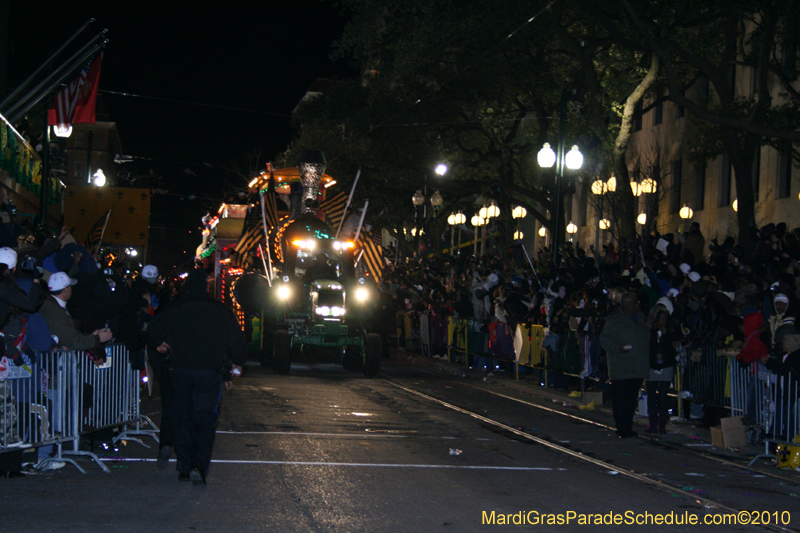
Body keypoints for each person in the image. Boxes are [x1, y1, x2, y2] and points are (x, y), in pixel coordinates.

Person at [147, 268, 245, 486]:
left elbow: (153, 331)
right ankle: (200, 466)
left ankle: (183, 466)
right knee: (206, 420)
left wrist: (159, 345)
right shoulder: (221, 310)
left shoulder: (176, 308)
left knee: (183, 419)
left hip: (180, 371)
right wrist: (237, 362)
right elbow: (237, 341)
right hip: (209, 373)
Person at [599, 292, 650, 438]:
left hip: (637, 367)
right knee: (621, 401)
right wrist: (618, 347)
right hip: (622, 368)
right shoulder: (615, 321)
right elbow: (604, 340)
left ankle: (627, 426)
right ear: (626, 304)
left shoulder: (640, 320)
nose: (638, 305)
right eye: (635, 302)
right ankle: (622, 428)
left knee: (630, 400)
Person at [38, 272, 113, 351]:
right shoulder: (54, 311)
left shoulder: (54, 306)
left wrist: (91, 336)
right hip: (53, 361)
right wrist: (97, 339)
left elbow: (70, 334)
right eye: (70, 286)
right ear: (65, 290)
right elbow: (72, 341)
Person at [645, 309, 677, 434]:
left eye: (665, 319)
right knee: (651, 396)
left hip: (666, 366)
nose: (663, 321)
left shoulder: (670, 334)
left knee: (663, 395)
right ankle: (653, 423)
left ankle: (662, 424)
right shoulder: (651, 333)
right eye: (661, 318)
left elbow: (673, 349)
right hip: (652, 366)